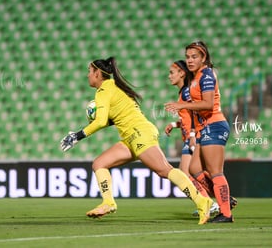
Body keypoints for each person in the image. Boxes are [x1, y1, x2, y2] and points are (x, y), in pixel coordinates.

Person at [60, 57, 213, 225]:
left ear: (97, 73)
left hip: (139, 133)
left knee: (164, 170)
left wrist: (77, 135)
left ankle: (202, 202)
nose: (88, 75)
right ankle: (108, 203)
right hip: (131, 136)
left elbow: (100, 121)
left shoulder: (104, 90)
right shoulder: (114, 87)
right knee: (99, 164)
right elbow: (113, 118)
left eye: (89, 71)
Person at [165, 41, 234, 223]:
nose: (189, 60)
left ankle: (226, 213)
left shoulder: (207, 75)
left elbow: (209, 104)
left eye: (194, 56)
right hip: (205, 128)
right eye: (187, 57)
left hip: (215, 125)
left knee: (215, 172)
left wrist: (182, 105)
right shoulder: (195, 78)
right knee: (194, 169)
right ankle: (223, 199)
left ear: (204, 58)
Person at [164, 60, 220, 216]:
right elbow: (188, 117)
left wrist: (193, 135)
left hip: (193, 136)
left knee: (188, 173)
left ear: (181, 73)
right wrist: (174, 124)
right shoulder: (183, 92)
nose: (169, 76)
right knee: (188, 172)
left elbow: (196, 113)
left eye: (171, 72)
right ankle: (215, 200)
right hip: (190, 135)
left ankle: (214, 200)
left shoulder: (188, 92)